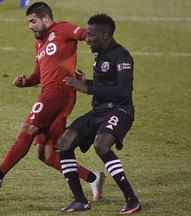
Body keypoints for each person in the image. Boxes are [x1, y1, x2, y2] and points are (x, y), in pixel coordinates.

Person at [0, 2, 105, 202]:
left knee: (28, 129)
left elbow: (87, 35)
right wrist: (25, 82)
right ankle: (93, 178)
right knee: (46, 154)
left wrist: (102, 58)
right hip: (55, 95)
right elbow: (38, 75)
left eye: (32, 21)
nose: (30, 26)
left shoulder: (63, 29)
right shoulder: (39, 43)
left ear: (45, 18)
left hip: (58, 92)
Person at [58, 14, 142, 214]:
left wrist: (86, 88)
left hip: (120, 110)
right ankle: (80, 200)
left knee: (101, 144)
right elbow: (103, 86)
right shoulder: (100, 57)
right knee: (64, 142)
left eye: (92, 35)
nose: (87, 38)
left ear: (105, 35)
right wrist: (86, 83)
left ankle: (132, 200)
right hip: (99, 111)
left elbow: (122, 92)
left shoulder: (122, 56)